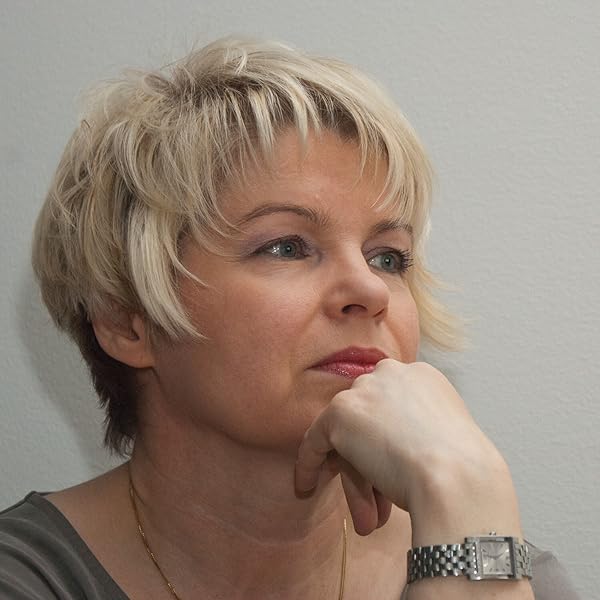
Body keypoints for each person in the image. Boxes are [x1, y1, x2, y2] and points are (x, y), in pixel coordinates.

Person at [0, 37, 580, 600]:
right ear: (127, 320)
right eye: (286, 247)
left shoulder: (500, 567)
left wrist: (461, 486)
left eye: (388, 257)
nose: (369, 289)